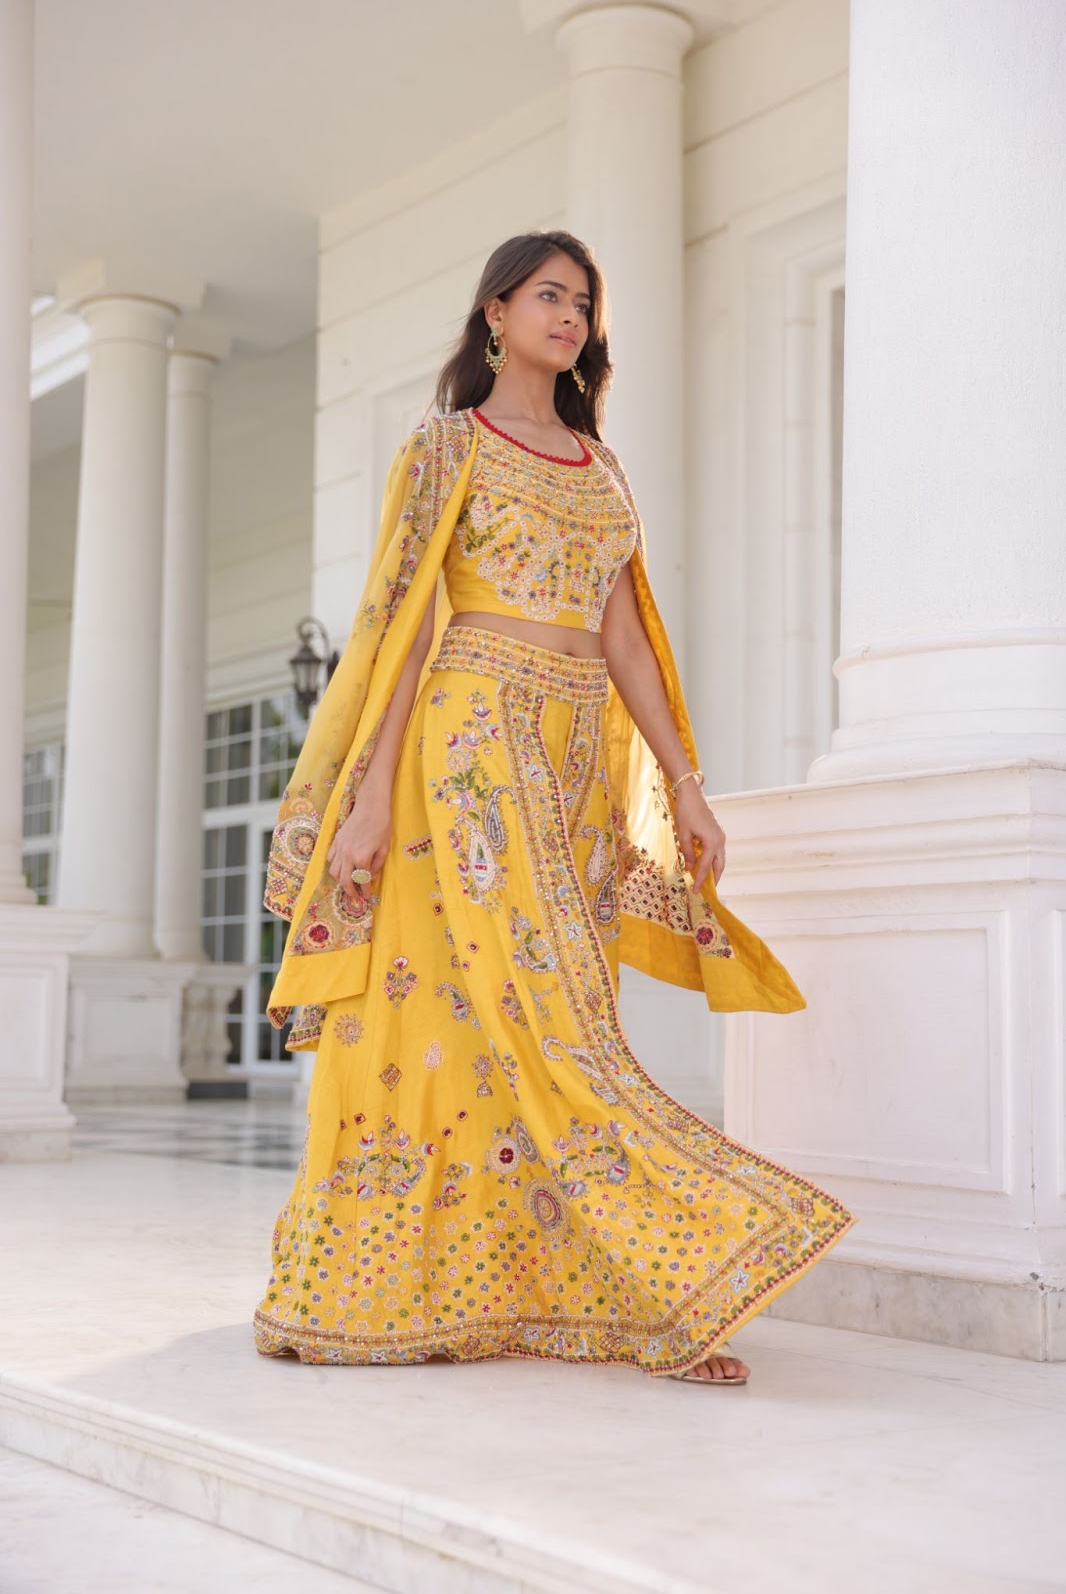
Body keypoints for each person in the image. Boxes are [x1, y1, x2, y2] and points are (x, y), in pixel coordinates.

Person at [253, 230, 856, 1385]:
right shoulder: (445, 447)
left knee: (520, 1013)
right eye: (548, 294)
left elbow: (627, 634)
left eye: (582, 300)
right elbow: (406, 632)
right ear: (495, 311)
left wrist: (682, 783)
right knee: (542, 1011)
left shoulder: (600, 464)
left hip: (579, 744)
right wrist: (371, 801)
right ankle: (684, 1272)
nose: (570, 315)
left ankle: (535, 1283)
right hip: (471, 734)